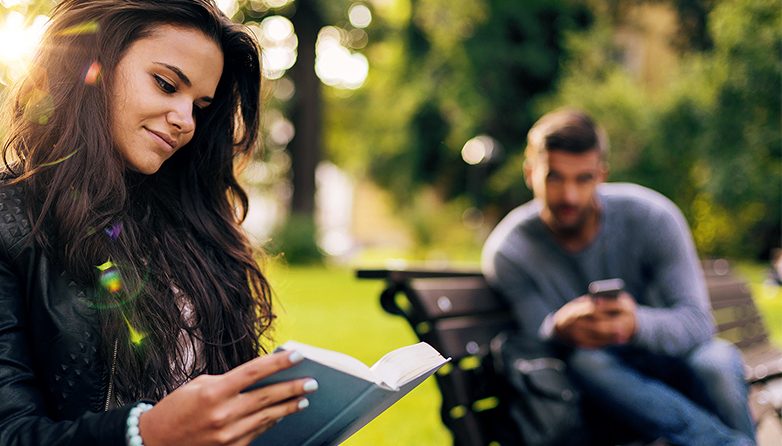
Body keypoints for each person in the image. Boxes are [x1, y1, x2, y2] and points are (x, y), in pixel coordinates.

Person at [0, 1, 317, 445]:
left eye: (200, 106)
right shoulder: (10, 221)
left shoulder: (191, 223)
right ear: (93, 64)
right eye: (166, 84)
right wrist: (144, 433)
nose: (186, 121)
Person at [481, 108, 756, 445]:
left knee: (717, 362)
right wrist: (560, 328)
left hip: (673, 357)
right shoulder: (509, 251)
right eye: (555, 177)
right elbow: (537, 338)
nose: (569, 195)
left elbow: (698, 323)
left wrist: (634, 324)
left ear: (602, 175)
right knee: (586, 361)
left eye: (583, 178)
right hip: (601, 385)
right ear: (530, 173)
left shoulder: (653, 217)